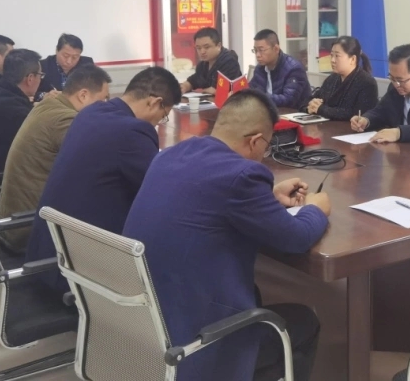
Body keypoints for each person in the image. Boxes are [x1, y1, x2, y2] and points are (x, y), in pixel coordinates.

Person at [123, 89, 331, 381]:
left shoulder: (169, 156)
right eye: (267, 146)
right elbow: (296, 238)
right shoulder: (242, 176)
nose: (264, 155)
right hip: (196, 343)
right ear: (255, 141)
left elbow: (207, 198)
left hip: (143, 328)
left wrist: (268, 197)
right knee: (304, 321)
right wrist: (316, 208)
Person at [24, 66, 180, 293]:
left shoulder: (90, 113)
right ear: (155, 102)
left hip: (50, 256)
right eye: (163, 115)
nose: (159, 122)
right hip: (83, 274)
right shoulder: (134, 131)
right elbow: (159, 193)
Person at [0, 64, 112, 252]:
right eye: (104, 99)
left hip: (15, 220)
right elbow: (98, 164)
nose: (107, 105)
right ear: (83, 95)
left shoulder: (49, 104)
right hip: (30, 229)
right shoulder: (66, 120)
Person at [305, 36, 378, 121]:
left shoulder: (367, 83)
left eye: (337, 56)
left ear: (353, 59)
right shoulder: (331, 79)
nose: (332, 60)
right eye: (331, 55)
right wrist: (311, 105)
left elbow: (355, 115)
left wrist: (321, 109)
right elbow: (312, 99)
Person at [249, 29, 311, 109]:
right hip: (269, 111)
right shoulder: (260, 69)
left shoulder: (294, 68)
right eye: (255, 50)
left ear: (276, 49)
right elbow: (252, 90)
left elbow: (288, 100)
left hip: (294, 113)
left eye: (261, 50)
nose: (257, 55)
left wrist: (259, 97)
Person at [180, 27, 242, 94]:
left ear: (218, 46)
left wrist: (204, 91)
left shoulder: (229, 62)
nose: (202, 52)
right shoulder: (203, 64)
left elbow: (217, 90)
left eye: (207, 47)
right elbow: (194, 80)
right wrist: (185, 86)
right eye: (198, 48)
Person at [36, 33, 95, 99]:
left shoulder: (87, 65)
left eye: (75, 57)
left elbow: (97, 90)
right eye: (66, 56)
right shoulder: (43, 66)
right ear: (56, 50)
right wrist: (44, 95)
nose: (69, 61)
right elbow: (31, 93)